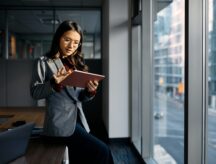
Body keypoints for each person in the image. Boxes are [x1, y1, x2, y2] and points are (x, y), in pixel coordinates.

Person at [30, 20, 114, 164]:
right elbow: (35, 92)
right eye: (67, 40)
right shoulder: (44, 62)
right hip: (59, 124)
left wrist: (89, 92)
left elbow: (78, 98)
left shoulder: (75, 63)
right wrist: (53, 83)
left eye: (76, 43)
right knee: (103, 151)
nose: (71, 46)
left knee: (80, 159)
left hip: (78, 121)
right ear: (58, 38)